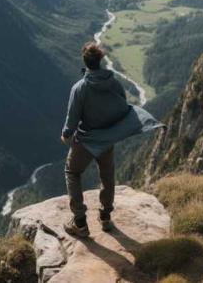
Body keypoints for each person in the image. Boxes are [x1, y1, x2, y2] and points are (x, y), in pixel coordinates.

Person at [60, 42, 161, 238]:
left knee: (72, 172)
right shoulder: (113, 82)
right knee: (107, 175)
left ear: (85, 61)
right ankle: (105, 216)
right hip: (108, 137)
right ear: (101, 60)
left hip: (87, 139)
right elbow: (121, 104)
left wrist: (66, 134)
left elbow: (72, 117)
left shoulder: (80, 88)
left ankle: (80, 222)